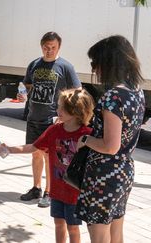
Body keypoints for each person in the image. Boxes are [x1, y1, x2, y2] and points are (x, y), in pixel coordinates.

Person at [75, 35, 145, 243]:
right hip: (123, 172)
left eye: (95, 62)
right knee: (116, 232)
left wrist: (86, 140)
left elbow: (110, 146)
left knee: (99, 235)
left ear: (108, 62)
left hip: (104, 174)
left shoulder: (113, 96)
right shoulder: (136, 92)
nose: (95, 69)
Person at [2, 88, 94, 243]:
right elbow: (33, 147)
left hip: (75, 192)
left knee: (73, 227)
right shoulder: (54, 130)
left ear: (74, 111)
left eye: (61, 107)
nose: (57, 110)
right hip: (57, 190)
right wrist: (9, 149)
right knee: (59, 224)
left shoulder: (88, 134)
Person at [17, 32, 81, 208]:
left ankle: (49, 192)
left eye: (53, 47)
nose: (49, 50)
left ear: (58, 47)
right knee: (35, 153)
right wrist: (22, 93)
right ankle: (36, 188)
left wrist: (65, 116)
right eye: (46, 47)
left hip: (52, 121)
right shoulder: (34, 64)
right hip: (33, 118)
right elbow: (27, 85)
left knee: (48, 157)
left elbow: (77, 92)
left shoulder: (65, 67)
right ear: (41, 46)